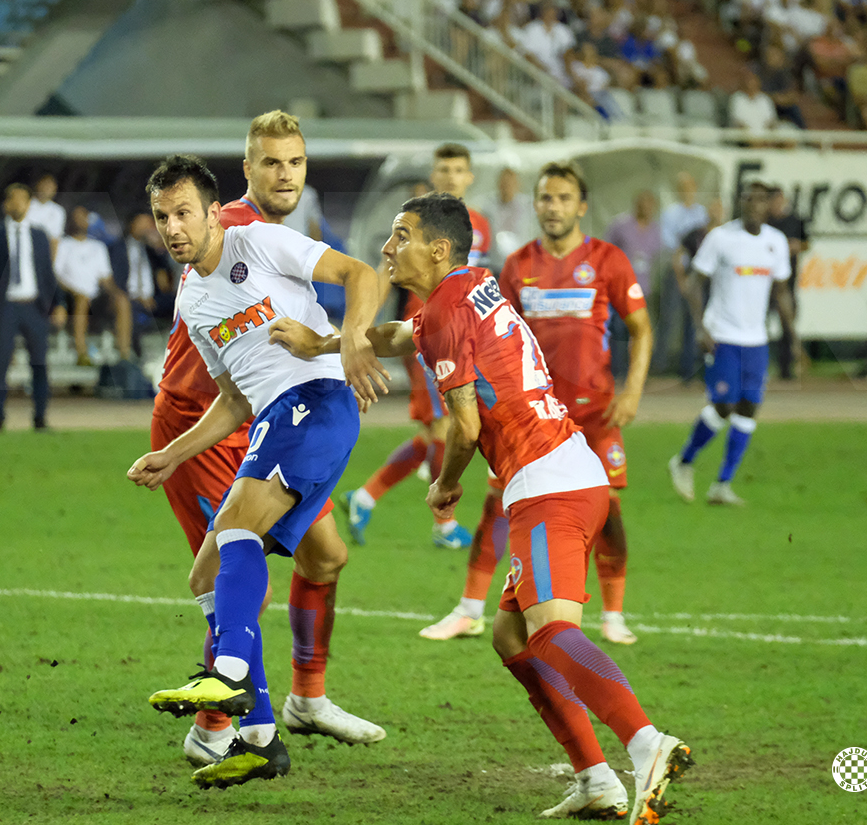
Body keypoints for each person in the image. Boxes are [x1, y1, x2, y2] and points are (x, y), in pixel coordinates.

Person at [271, 192, 692, 822]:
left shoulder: (445, 312)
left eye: (400, 235)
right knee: (512, 635)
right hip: (566, 474)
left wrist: (444, 486)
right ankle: (595, 778)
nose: (387, 248)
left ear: (438, 250)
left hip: (549, 484)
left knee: (553, 632)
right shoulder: (472, 289)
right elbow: (397, 334)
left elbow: (464, 428)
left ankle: (646, 744)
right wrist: (325, 344)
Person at [129, 153, 388, 789]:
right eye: (162, 216)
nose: (173, 227)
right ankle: (262, 738)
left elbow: (360, 274)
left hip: (318, 401)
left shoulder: (260, 241)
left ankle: (234, 675)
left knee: (239, 529)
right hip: (273, 414)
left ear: (214, 213)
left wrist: (351, 338)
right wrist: (173, 454)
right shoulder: (192, 300)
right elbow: (235, 401)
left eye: (184, 212)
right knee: (207, 571)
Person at [420, 162, 654, 649]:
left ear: (581, 207)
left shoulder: (608, 260)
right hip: (529, 417)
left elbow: (641, 329)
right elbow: (490, 334)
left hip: (594, 413)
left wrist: (632, 390)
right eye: (546, 198)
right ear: (536, 205)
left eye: (564, 198)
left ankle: (613, 613)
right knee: (496, 509)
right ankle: (468, 609)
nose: (554, 207)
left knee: (608, 511)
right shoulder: (518, 265)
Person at [344, 142, 492, 551]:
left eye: (458, 170)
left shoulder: (479, 224)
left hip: (467, 338)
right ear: (434, 175)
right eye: (443, 170)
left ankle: (364, 497)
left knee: (433, 436)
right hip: (425, 336)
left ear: (470, 176)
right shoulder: (415, 222)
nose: (450, 177)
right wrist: (362, 327)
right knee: (445, 426)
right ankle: (444, 525)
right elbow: (384, 269)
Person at [668, 182, 796, 507]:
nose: (754, 204)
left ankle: (722, 485)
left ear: (769, 205)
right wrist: (700, 328)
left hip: (757, 339)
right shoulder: (721, 238)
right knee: (724, 405)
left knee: (749, 407)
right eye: (748, 198)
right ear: (740, 203)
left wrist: (793, 338)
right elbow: (696, 284)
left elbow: (781, 291)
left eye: (761, 199)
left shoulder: (775, 242)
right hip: (722, 335)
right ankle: (684, 461)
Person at [0, 184, 58, 430]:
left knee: (40, 363)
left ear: (29, 204)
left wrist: (57, 304)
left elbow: (47, 273)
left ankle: (40, 417)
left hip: (34, 306)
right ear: (6, 204)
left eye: (24, 199)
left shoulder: (40, 235)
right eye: (14, 199)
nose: (19, 204)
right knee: (0, 362)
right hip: (6, 306)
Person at [51, 205, 129, 366]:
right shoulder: (63, 245)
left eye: (83, 217)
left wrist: (115, 292)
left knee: (122, 300)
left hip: (95, 298)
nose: (80, 221)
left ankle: (124, 354)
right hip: (71, 297)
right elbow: (56, 276)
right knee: (82, 298)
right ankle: (81, 352)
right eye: (76, 217)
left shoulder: (98, 247)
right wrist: (76, 292)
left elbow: (106, 278)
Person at [656, 172, 707, 380]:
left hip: (697, 271)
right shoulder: (670, 213)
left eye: (689, 186)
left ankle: (689, 368)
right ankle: (659, 367)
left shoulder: (701, 213)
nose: (686, 190)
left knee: (693, 319)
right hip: (677, 269)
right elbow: (670, 243)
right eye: (682, 186)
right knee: (668, 319)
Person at [765, 186, 807, 382]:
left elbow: (806, 242)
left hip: (787, 282)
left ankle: (785, 368)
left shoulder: (794, 221)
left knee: (787, 326)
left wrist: (798, 246)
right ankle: (760, 366)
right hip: (764, 283)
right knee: (760, 325)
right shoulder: (765, 223)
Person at [485, 166, 531, 262]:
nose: (507, 186)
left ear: (518, 184)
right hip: (496, 262)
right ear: (499, 184)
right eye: (504, 183)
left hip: (522, 261)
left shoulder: (528, 205)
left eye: (511, 183)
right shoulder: (488, 206)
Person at [25, 172, 66, 252]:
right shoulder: (26, 205)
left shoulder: (58, 211)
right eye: (45, 184)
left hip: (44, 251)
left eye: (50, 186)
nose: (47, 188)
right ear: (38, 185)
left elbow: (55, 240)